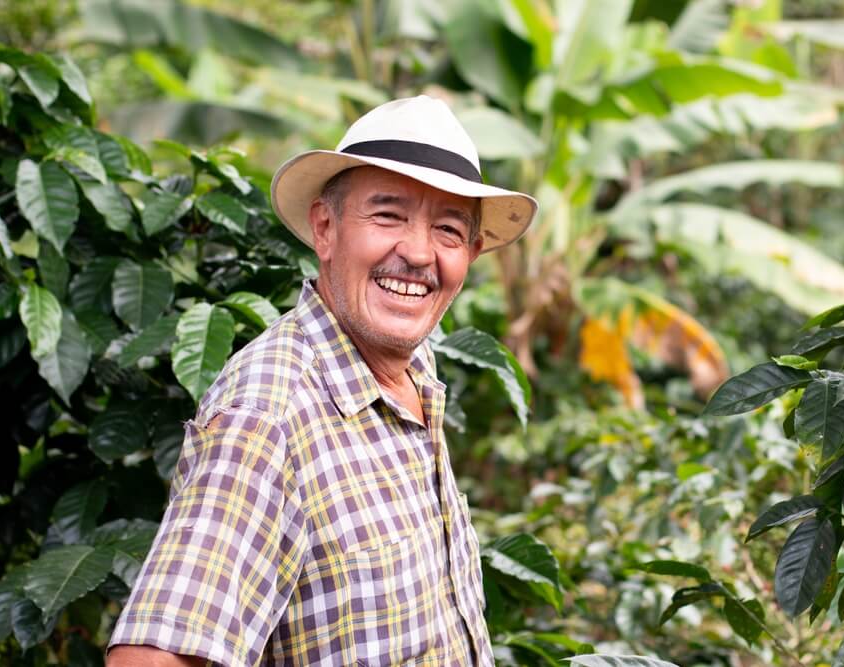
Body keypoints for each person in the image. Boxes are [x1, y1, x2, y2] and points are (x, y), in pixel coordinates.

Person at [106, 96, 537, 666]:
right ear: (325, 228)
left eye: (449, 230)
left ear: (472, 253)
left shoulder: (414, 368)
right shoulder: (267, 416)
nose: (417, 252)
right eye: (387, 216)